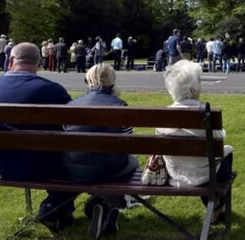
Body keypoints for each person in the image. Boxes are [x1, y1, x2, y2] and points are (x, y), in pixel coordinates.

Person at [0, 42, 75, 231]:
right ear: (39, 62)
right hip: (46, 168)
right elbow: (77, 124)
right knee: (82, 165)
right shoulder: (52, 90)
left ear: (11, 61)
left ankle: (59, 213)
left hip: (4, 166)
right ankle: (51, 210)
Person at [63, 64, 138, 237]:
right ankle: (108, 206)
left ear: (88, 81)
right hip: (109, 169)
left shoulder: (71, 104)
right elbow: (128, 143)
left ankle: (101, 205)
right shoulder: (120, 106)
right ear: (112, 82)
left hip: (74, 167)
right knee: (129, 162)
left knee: (104, 162)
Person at [155, 60, 233, 222]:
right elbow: (220, 137)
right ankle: (217, 204)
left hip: (176, 174)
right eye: (199, 82)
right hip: (205, 175)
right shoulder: (205, 116)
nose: (201, 87)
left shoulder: (163, 116)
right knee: (227, 151)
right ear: (192, 89)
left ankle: (217, 206)